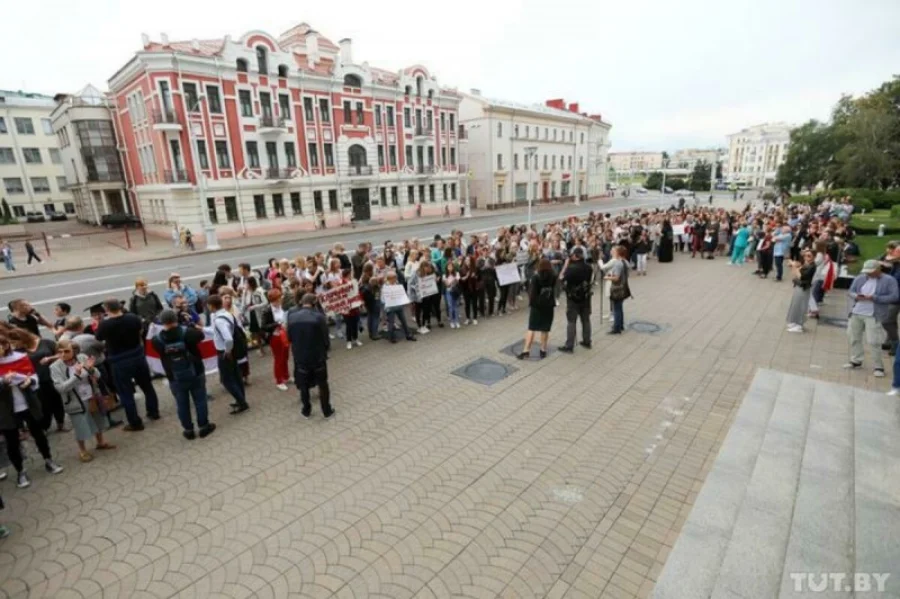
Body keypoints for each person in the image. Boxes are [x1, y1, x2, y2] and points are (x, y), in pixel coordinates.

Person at [0, 333, 64, 489]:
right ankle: (20, 471)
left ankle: (48, 460)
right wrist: (4, 382)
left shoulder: (20, 357)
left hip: (27, 403)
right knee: (12, 442)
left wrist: (30, 380)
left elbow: (32, 375)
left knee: (39, 434)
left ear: (6, 345)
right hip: (6, 408)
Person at [94, 298, 160, 431]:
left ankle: (135, 422)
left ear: (106, 309)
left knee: (126, 393)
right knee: (147, 386)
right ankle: (154, 412)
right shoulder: (132, 318)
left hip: (119, 360)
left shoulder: (105, 324)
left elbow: (99, 338)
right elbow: (140, 331)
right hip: (137, 355)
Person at [151, 309, 216, 440]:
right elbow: (201, 335)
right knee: (200, 400)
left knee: (182, 404)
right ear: (176, 319)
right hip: (195, 371)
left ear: (162, 322)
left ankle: (188, 430)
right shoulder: (188, 333)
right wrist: (189, 323)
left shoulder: (157, 340)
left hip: (174, 376)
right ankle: (203, 426)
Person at [49, 339, 116, 462]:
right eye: (59, 352)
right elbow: (61, 388)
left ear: (74, 351)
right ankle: (83, 450)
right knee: (80, 426)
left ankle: (100, 442)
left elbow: (98, 375)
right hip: (75, 401)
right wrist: (76, 375)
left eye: (66, 351)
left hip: (92, 396)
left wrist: (91, 369)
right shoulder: (55, 367)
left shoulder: (82, 358)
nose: (63, 354)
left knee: (98, 420)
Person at [7, 329, 68, 433]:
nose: (14, 345)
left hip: (52, 377)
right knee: (42, 405)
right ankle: (45, 426)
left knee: (56, 401)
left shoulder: (45, 343)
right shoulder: (18, 352)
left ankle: (60, 423)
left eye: (15, 342)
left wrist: (50, 358)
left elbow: (62, 354)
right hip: (34, 382)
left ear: (23, 338)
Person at [846, 260, 899, 377]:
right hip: (857, 311)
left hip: (874, 314)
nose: (868, 274)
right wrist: (857, 296)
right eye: (866, 271)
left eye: (871, 271)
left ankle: (878, 366)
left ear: (878, 269)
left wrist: (875, 298)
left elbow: (894, 296)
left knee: (874, 341)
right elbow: (851, 291)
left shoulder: (889, 280)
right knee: (853, 337)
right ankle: (856, 360)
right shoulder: (860, 278)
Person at [287, 293, 333, 419]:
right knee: (322, 384)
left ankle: (306, 410)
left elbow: (289, 337)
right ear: (314, 303)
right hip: (317, 357)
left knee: (304, 385)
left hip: (300, 357)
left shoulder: (292, 317)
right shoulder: (319, 317)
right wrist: (325, 350)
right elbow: (325, 338)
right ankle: (326, 410)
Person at [208, 294, 250, 414]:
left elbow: (228, 338)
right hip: (231, 350)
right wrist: (202, 329)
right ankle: (241, 399)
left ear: (212, 306)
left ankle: (242, 402)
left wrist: (227, 351)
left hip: (225, 352)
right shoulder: (226, 314)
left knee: (226, 380)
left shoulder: (219, 320)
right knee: (236, 376)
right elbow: (218, 333)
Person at [516, 258, 556, 360]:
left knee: (531, 328)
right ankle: (543, 350)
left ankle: (526, 350)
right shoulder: (553, 276)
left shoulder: (536, 277)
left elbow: (532, 293)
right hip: (548, 305)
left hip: (537, 306)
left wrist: (532, 303)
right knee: (545, 328)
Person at [558, 248, 593, 353]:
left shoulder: (571, 268)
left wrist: (565, 265)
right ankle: (587, 341)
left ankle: (569, 346)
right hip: (585, 297)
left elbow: (561, 278)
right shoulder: (588, 267)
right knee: (586, 320)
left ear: (574, 256)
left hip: (573, 298)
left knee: (571, 321)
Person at [260, 288, 291, 390]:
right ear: (274, 300)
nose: (281, 299)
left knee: (285, 356)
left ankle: (286, 376)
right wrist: (277, 324)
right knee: (278, 359)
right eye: (279, 298)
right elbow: (264, 326)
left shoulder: (283, 307)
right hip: (275, 337)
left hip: (285, 335)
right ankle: (279, 380)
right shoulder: (267, 310)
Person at [785, 251, 816, 333]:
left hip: (803, 287)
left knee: (801, 306)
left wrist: (794, 266)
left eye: (809, 256)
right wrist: (793, 266)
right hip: (799, 286)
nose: (806, 257)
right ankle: (794, 322)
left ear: (814, 257)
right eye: (805, 255)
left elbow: (801, 276)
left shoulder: (812, 266)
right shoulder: (807, 264)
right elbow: (795, 273)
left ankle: (799, 325)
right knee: (795, 305)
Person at [604, 245, 632, 335]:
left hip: (617, 288)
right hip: (624, 286)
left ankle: (616, 328)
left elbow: (616, 278)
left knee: (616, 308)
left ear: (618, 253)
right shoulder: (626, 262)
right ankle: (620, 325)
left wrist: (607, 277)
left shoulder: (618, 263)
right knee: (619, 307)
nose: (613, 252)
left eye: (615, 251)